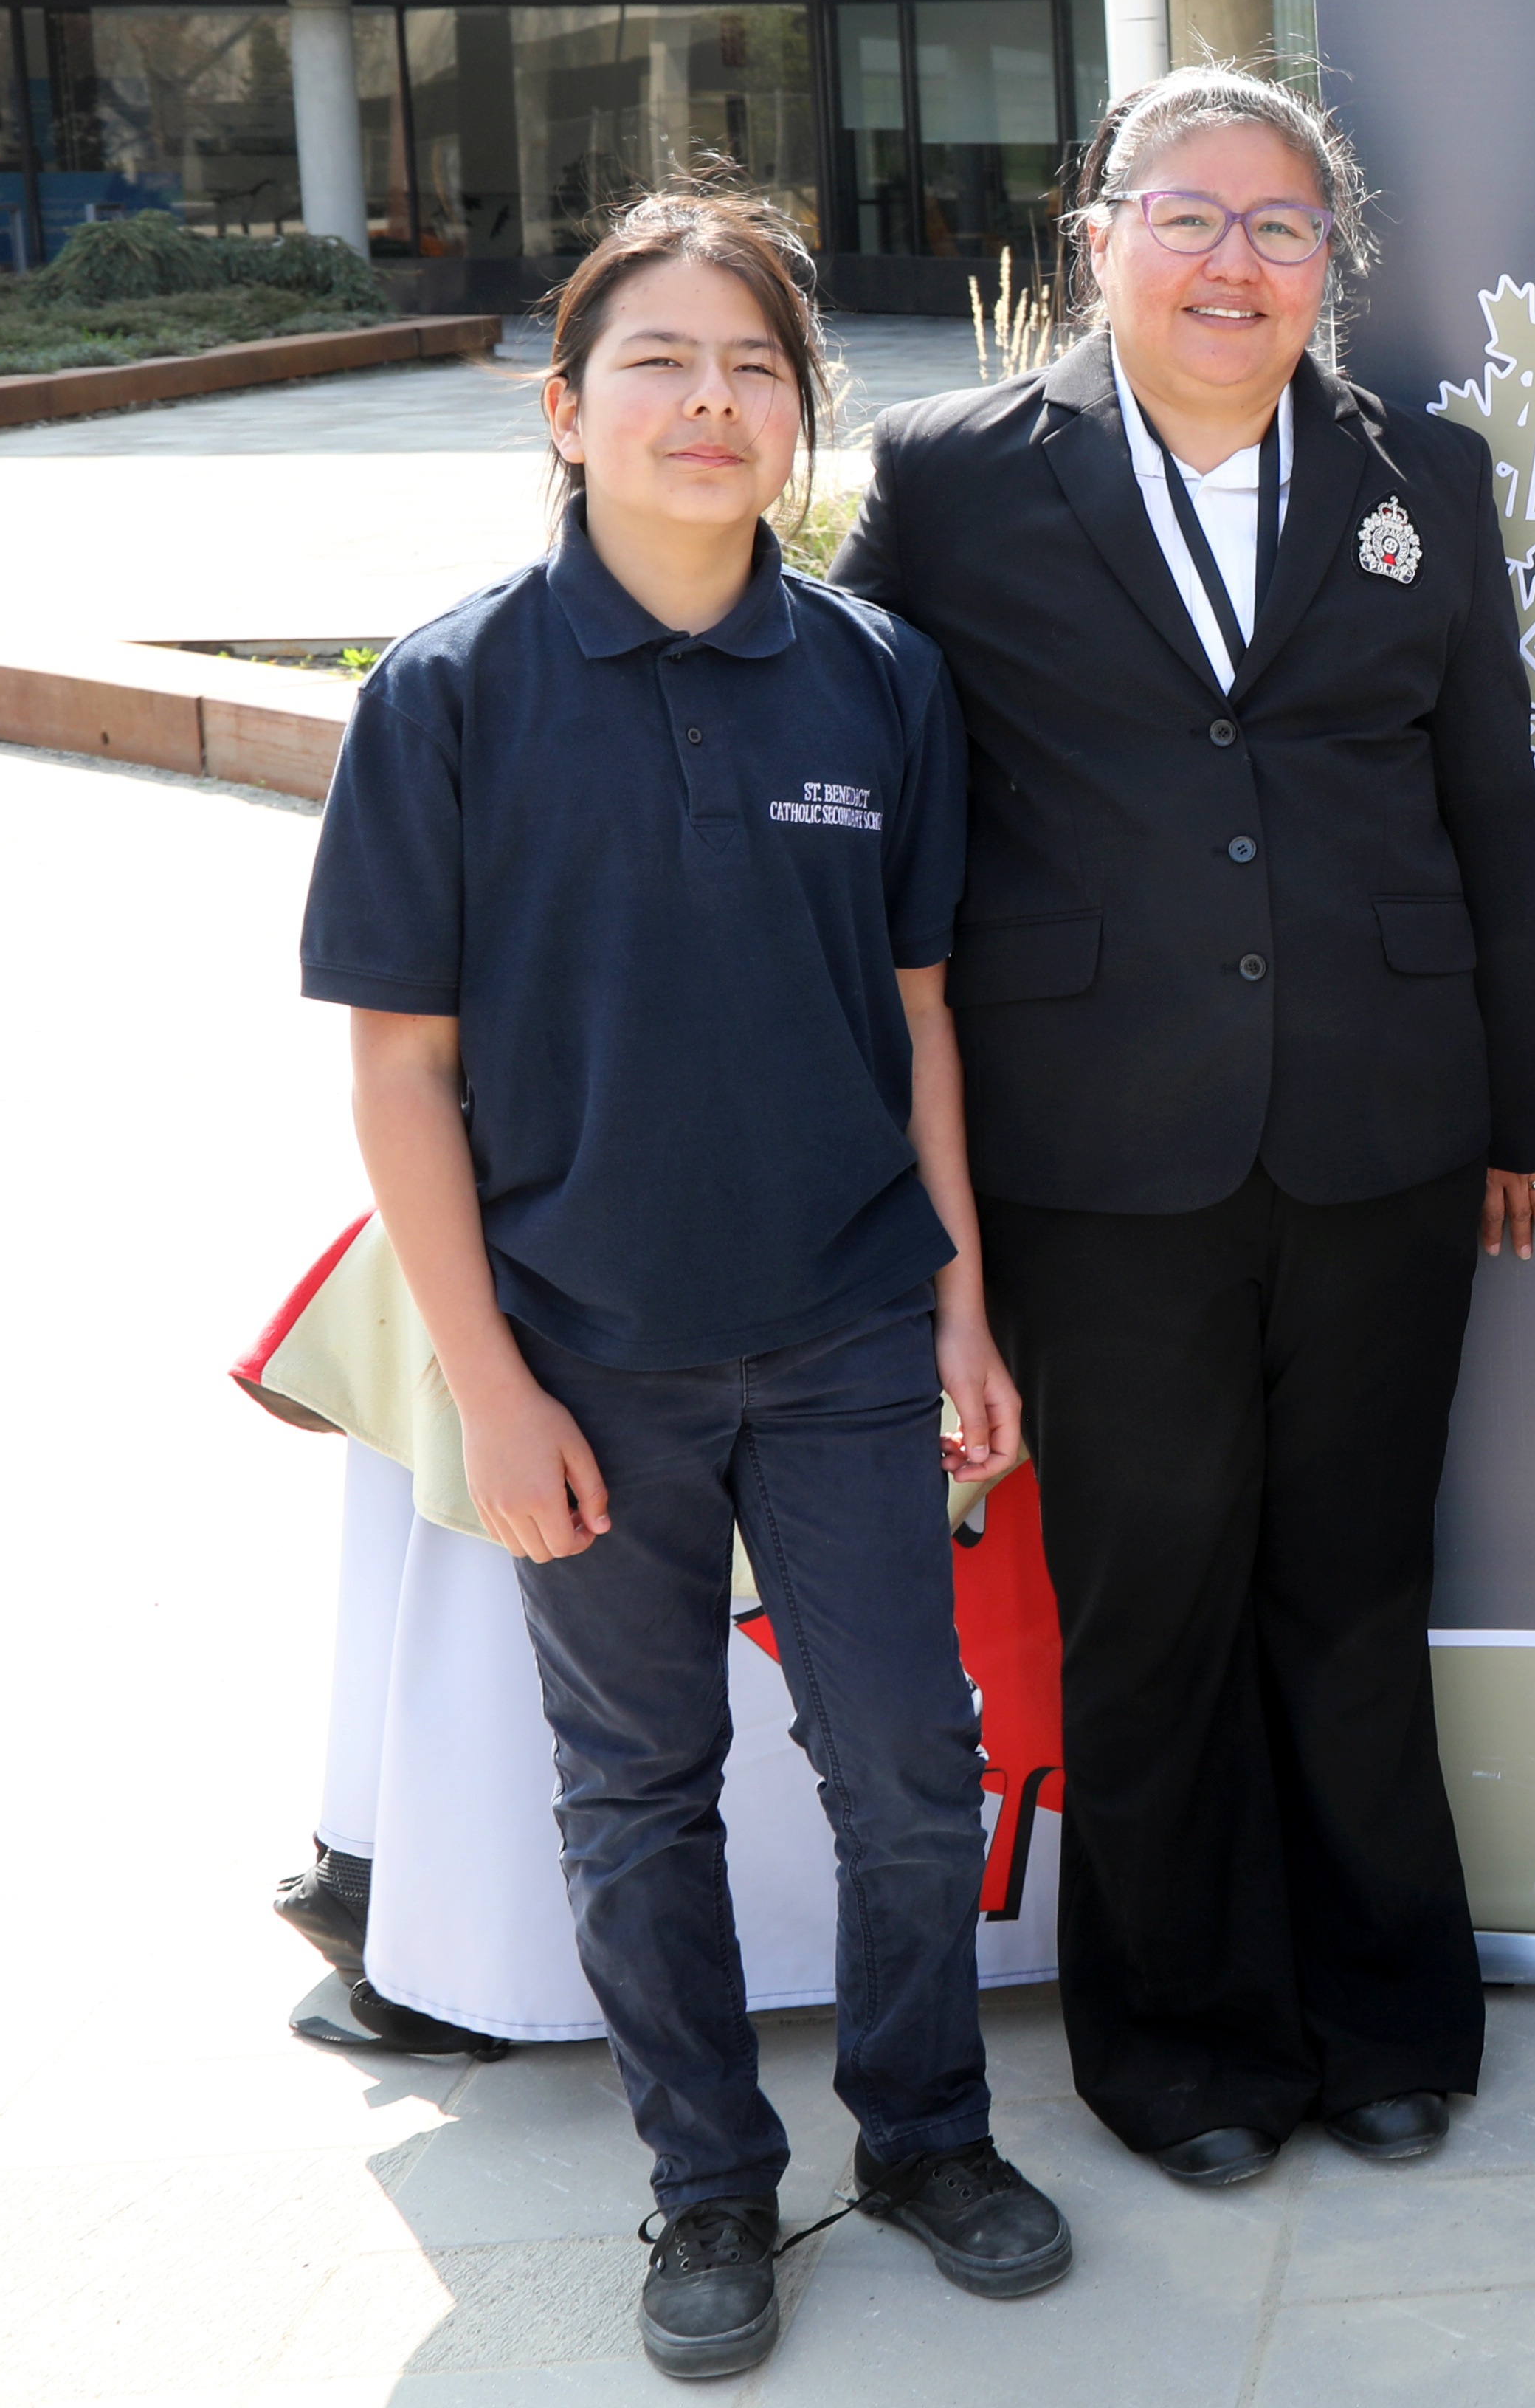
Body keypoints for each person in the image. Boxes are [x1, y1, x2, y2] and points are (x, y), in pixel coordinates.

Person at [300, 185, 1071, 2381]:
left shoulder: (878, 678)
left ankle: (923, 2133)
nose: (709, 401)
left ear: (801, 421)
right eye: (659, 360)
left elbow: (917, 1018)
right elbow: (400, 1075)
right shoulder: (449, 695)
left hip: (843, 1332)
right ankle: (708, 2187)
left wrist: (958, 1309)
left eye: (754, 367)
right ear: (565, 409)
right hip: (583, 1356)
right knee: (633, 1796)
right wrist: (490, 1385)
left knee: (911, 1770)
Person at [830, 63, 1535, 2186]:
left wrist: (1519, 1103)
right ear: (1099, 235)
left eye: (1278, 226)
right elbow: (848, 770)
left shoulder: (1420, 468)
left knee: (1350, 1585)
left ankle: (1385, 2017)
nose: (1232, 260)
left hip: (1387, 1134)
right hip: (1096, 1146)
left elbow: (1487, 805)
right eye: (1189, 215)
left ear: (1329, 265)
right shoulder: (953, 475)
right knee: (1151, 1600)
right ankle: (1185, 2052)